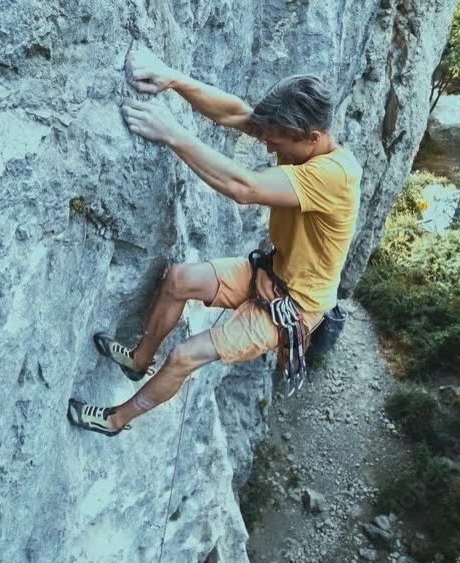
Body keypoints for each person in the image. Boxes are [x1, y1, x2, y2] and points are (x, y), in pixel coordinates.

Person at [66, 47, 363, 436]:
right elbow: (237, 114)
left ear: (312, 138)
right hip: (272, 274)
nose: (269, 148)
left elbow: (244, 187)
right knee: (178, 280)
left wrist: (173, 134)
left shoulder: (335, 176)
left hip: (296, 306)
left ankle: (114, 420)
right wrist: (173, 78)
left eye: (277, 143)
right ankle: (138, 360)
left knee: (182, 356)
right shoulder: (298, 143)